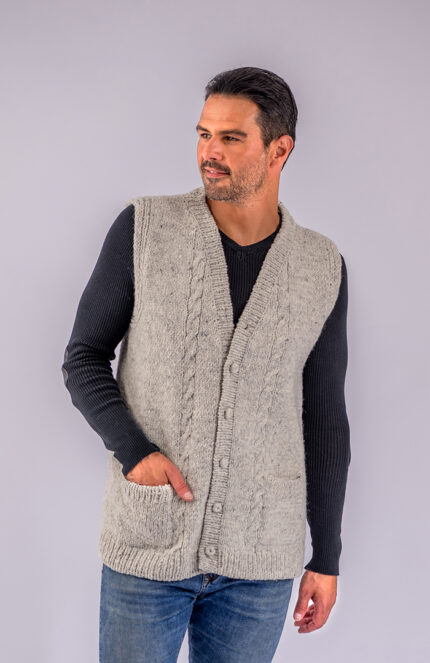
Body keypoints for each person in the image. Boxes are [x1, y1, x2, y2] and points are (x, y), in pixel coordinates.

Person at [62, 66, 351, 662]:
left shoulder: (321, 266)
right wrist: (135, 452)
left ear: (279, 150)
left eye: (230, 138)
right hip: (150, 547)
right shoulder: (145, 228)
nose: (209, 153)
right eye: (203, 134)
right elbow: (84, 357)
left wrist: (326, 556)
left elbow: (325, 418)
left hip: (260, 562)